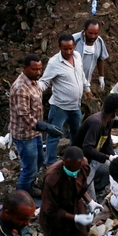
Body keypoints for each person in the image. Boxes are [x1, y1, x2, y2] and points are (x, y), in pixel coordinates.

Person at [10, 54, 62, 195]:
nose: (38, 73)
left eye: (40, 69)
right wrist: (45, 126)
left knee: (39, 160)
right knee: (29, 168)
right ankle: (21, 196)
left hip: (35, 132)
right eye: (34, 70)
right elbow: (24, 116)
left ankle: (30, 185)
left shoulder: (34, 82)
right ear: (25, 68)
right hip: (24, 134)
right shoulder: (21, 88)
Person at [40, 34, 93, 166]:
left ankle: (74, 159)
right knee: (54, 135)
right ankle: (51, 162)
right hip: (60, 107)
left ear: (74, 47)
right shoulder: (54, 63)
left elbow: (81, 75)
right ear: (59, 47)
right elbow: (45, 81)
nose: (68, 52)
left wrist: (87, 90)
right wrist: (33, 91)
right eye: (65, 49)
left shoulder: (77, 56)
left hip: (75, 106)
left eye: (70, 48)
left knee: (76, 134)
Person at [72, 94, 118, 200]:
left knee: (114, 169)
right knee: (89, 201)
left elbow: (107, 143)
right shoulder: (96, 123)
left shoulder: (109, 120)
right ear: (117, 112)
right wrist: (107, 157)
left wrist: (113, 158)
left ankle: (96, 186)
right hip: (83, 163)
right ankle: (85, 189)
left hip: (95, 159)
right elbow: (86, 148)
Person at [73, 19, 109, 90]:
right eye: (90, 33)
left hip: (87, 81)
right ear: (85, 31)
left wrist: (101, 76)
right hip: (72, 81)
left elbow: (100, 59)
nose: (93, 36)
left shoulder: (99, 41)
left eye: (96, 34)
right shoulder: (74, 40)